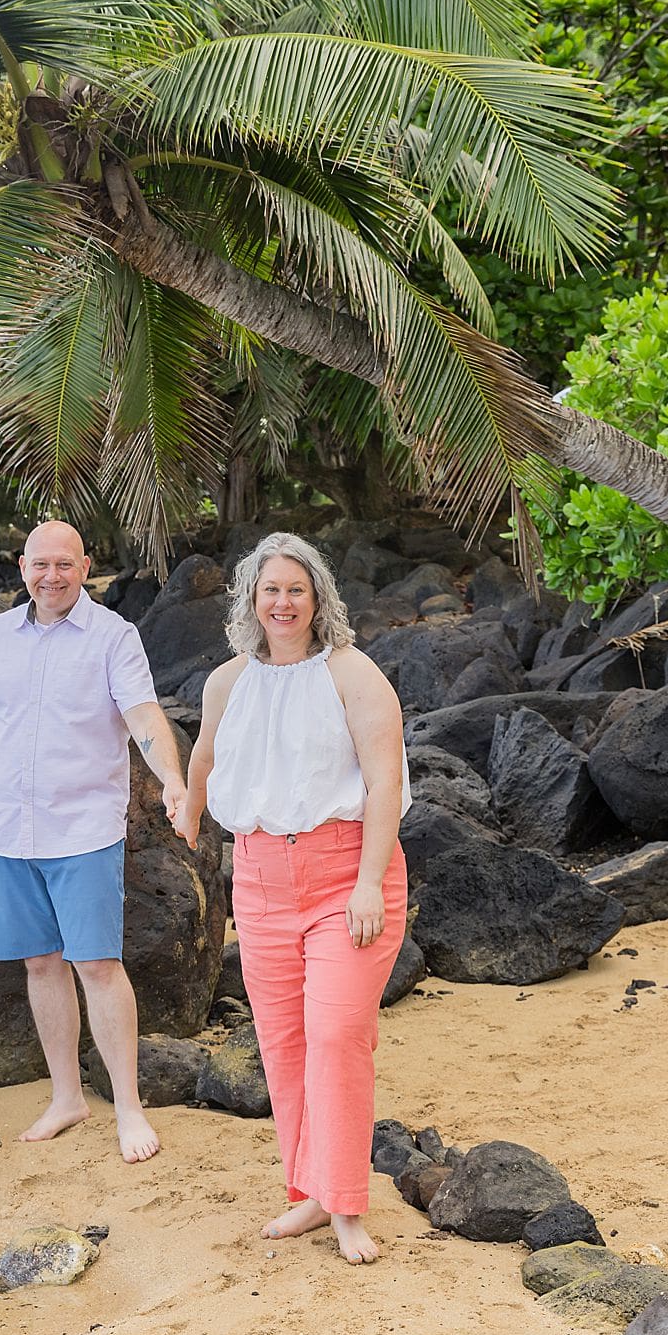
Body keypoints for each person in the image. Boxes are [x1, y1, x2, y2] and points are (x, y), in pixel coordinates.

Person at [169, 531, 410, 1263]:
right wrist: (187, 801)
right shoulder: (228, 680)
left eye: (296, 590)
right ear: (250, 599)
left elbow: (384, 781)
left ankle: (345, 1206)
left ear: (318, 599)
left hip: (347, 877)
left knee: (338, 1037)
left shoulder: (352, 671)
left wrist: (369, 880)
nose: (283, 602)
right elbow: (206, 751)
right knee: (283, 1044)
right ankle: (310, 1190)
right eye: (270, 589)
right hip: (262, 880)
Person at [0, 520, 188, 1164]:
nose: (50, 577)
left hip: (82, 830)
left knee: (99, 966)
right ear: (21, 567)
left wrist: (172, 780)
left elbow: (143, 718)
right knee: (40, 963)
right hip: (6, 831)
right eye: (38, 565)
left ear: (86, 567)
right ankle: (67, 1097)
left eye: (64, 565)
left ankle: (129, 1109)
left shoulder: (115, 637)